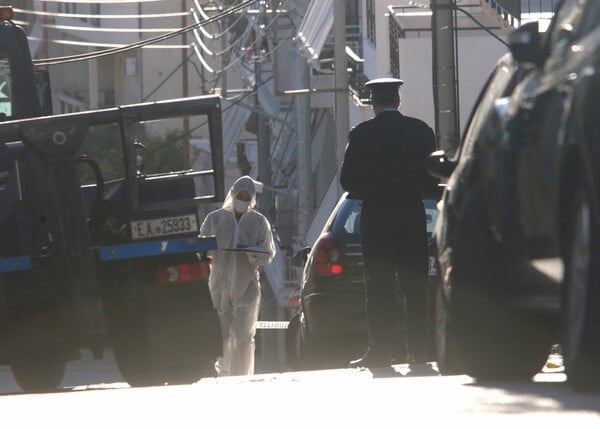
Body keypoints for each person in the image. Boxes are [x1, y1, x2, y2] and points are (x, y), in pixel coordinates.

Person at [340, 77, 437, 368]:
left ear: (372, 103)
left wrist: (371, 191)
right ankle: (419, 351)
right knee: (415, 287)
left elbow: (348, 181)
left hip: (377, 220)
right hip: (411, 217)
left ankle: (380, 352)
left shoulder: (362, 135)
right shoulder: (421, 132)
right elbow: (432, 181)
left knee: (380, 288)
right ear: (398, 101)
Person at [199, 176, 276, 376]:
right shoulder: (215, 219)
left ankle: (242, 375)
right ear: (232, 193)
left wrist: (254, 255)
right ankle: (224, 373)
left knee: (244, 335)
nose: (242, 198)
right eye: (240, 194)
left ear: (252, 198)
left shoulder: (259, 222)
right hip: (219, 284)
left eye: (246, 196)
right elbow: (201, 248)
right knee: (222, 335)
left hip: (247, 284)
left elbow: (268, 253)